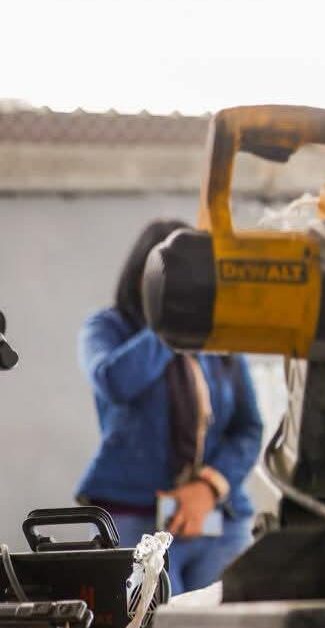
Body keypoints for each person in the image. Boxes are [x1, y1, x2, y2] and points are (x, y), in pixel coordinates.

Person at [77, 219, 264, 594]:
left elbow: (248, 427)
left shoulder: (219, 334)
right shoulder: (107, 327)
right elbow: (115, 381)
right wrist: (170, 322)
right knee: (147, 618)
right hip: (134, 518)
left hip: (217, 519)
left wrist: (208, 487)